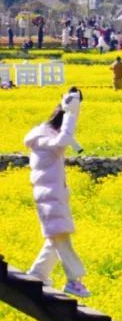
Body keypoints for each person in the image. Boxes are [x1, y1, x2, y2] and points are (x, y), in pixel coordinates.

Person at [23, 90, 91, 297]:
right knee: (62, 237)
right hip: (49, 196)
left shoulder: (45, 136)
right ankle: (74, 279)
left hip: (52, 194)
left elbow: (65, 140)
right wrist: (71, 112)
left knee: (55, 238)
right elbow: (62, 141)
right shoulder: (44, 138)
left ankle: (37, 274)